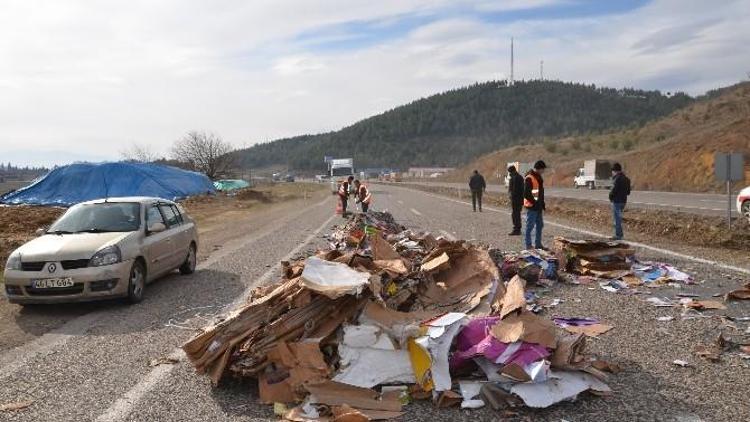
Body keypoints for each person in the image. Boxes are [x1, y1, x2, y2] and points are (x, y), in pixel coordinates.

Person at [523, 160, 547, 250]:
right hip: (532, 206)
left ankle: (538, 244)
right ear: (539, 168)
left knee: (540, 225)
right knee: (530, 226)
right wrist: (535, 202)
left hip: (538, 206)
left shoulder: (538, 177)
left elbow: (540, 192)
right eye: (543, 169)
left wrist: (542, 203)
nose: (544, 171)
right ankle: (528, 245)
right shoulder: (529, 178)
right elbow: (526, 194)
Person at [609, 162, 631, 240]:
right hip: (623, 201)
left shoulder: (616, 179)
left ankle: (618, 235)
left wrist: (610, 197)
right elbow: (628, 192)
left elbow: (613, 190)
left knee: (617, 219)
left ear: (615, 171)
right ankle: (619, 234)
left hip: (616, 201)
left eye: (612, 171)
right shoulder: (627, 179)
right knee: (618, 217)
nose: (612, 173)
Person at [507, 165, 524, 235]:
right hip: (519, 199)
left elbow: (515, 190)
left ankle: (516, 229)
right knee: (517, 214)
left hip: (516, 199)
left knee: (515, 214)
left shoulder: (515, 178)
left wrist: (511, 196)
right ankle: (517, 229)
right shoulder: (519, 177)